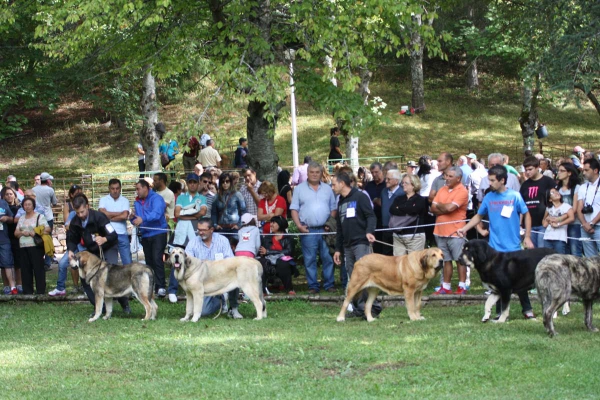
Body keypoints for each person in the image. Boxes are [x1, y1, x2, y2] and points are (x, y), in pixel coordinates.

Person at [457, 165, 536, 319]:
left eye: (493, 180)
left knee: (518, 279)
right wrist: (464, 228)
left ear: (502, 180)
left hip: (513, 247)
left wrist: (527, 236)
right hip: (494, 249)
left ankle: (527, 310)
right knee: (499, 282)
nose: (489, 183)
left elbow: (527, 215)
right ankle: (500, 312)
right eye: (489, 180)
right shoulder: (488, 197)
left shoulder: (514, 196)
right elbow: (478, 216)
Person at [66, 194, 130, 312]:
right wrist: (70, 249)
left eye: (82, 212)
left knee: (112, 276)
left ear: (88, 206)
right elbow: (71, 238)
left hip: (108, 247)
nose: (80, 215)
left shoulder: (100, 217)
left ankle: (124, 303)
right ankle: (99, 307)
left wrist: (104, 239)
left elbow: (113, 235)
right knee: (86, 278)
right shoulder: (75, 221)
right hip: (91, 251)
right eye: (78, 213)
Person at [331, 171, 379, 318]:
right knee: (354, 278)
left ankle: (374, 308)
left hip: (361, 244)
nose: (332, 187)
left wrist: (369, 231)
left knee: (364, 277)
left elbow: (371, 216)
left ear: (342, 183)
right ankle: (360, 308)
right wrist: (338, 249)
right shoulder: (340, 202)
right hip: (347, 246)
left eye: (333, 184)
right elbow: (339, 228)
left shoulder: (360, 196)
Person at [290, 161, 337, 293]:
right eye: (312, 172)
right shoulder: (299, 189)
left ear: (321, 173)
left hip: (325, 229)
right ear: (308, 173)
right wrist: (298, 225)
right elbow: (294, 209)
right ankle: (313, 286)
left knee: (328, 258)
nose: (315, 175)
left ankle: (329, 284)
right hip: (308, 230)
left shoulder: (328, 189)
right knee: (310, 259)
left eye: (317, 172)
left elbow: (333, 208)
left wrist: (330, 224)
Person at [431, 166, 469, 295]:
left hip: (456, 231)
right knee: (446, 260)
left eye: (450, 176)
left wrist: (440, 206)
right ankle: (446, 286)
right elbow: (432, 208)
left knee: (459, 259)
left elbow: (450, 208)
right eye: (446, 176)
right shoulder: (442, 189)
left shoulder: (462, 191)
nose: (446, 178)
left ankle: (462, 286)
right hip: (440, 230)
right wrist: (443, 207)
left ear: (458, 178)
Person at [183, 218, 232, 318]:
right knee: (204, 312)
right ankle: (220, 302)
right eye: (198, 230)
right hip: (202, 281)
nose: (200, 232)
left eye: (203, 230)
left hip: (221, 277)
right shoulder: (193, 242)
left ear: (211, 229)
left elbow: (230, 261)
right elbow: (187, 262)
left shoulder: (223, 240)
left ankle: (230, 304)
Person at [132, 179, 168, 297]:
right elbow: (137, 218)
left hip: (158, 232)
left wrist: (143, 219)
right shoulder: (137, 202)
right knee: (149, 260)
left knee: (157, 258)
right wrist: (132, 218)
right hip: (145, 234)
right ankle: (151, 285)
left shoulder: (156, 198)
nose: (137, 191)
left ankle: (161, 286)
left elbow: (157, 214)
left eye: (138, 189)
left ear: (145, 188)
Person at [48, 185, 83, 296]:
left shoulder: (87, 209)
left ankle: (87, 288)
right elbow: (67, 226)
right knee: (63, 263)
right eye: (76, 192)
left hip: (83, 244)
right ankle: (61, 288)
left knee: (83, 265)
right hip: (73, 243)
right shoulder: (71, 212)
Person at [520, 156, 556, 248]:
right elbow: (521, 205)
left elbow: (555, 202)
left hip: (543, 223)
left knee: (542, 251)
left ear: (537, 168)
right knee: (532, 252)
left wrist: (549, 218)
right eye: (526, 170)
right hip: (529, 225)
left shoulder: (549, 182)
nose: (528, 172)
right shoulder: (524, 185)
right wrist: (520, 223)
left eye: (530, 169)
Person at [15, 197, 49, 294]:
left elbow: (47, 229)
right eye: (25, 205)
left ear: (33, 205)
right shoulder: (21, 218)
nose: (27, 206)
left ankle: (41, 291)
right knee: (25, 270)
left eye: (29, 204)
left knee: (38, 269)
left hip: (35, 246)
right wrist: (23, 233)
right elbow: (16, 233)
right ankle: (28, 291)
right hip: (23, 247)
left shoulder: (39, 216)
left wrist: (35, 232)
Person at [389, 174, 429, 255]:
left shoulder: (421, 199)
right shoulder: (398, 198)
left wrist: (399, 208)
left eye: (406, 183)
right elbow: (392, 209)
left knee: (414, 264)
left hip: (415, 237)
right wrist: (407, 209)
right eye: (402, 183)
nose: (403, 185)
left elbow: (414, 210)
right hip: (398, 236)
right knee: (398, 263)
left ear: (413, 185)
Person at [259, 215, 298, 295]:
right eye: (271, 222)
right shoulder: (267, 237)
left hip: (283, 260)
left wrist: (269, 251)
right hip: (269, 260)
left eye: (274, 223)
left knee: (282, 263)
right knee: (261, 263)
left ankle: (289, 288)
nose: (271, 225)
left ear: (280, 224)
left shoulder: (288, 238)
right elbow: (263, 251)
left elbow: (288, 251)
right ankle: (263, 290)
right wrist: (265, 252)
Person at [98, 179, 132, 265]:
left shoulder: (125, 200)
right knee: (110, 265)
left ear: (120, 188)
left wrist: (108, 216)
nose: (115, 191)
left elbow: (124, 216)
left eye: (117, 188)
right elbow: (101, 214)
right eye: (113, 188)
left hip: (122, 234)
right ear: (109, 188)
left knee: (128, 264)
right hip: (108, 235)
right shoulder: (103, 200)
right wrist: (120, 213)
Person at [32, 172, 57, 271]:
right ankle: (47, 262)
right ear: (47, 181)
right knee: (47, 238)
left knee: (36, 238)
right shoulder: (50, 190)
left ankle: (37, 261)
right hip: (47, 217)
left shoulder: (33, 190)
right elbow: (54, 203)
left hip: (37, 217)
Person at [556, 162, 582, 256]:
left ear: (569, 173)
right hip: (561, 225)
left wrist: (559, 219)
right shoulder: (557, 188)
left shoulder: (576, 188)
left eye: (562, 171)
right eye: (558, 170)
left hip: (573, 223)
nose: (559, 173)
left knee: (575, 251)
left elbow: (574, 209)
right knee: (564, 252)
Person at [577, 158, 600, 256]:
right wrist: (585, 224)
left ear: (595, 170)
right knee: (590, 259)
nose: (584, 173)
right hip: (585, 227)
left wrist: (592, 223)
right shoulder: (583, 187)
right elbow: (579, 208)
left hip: (598, 226)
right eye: (583, 170)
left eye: (587, 170)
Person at [1, 187, 22, 293]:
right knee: (5, 264)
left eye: (10, 194)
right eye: (6, 194)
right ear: (3, 196)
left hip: (15, 237)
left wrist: (9, 219)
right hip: (4, 236)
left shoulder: (19, 207)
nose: (9, 196)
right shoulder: (2, 206)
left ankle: (19, 284)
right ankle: (6, 285)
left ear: (14, 195)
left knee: (18, 263)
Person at [380, 169, 404, 255]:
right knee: (386, 253)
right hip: (385, 228)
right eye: (386, 178)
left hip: (397, 229)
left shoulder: (402, 193)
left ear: (396, 181)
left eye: (389, 179)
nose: (386, 181)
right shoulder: (383, 191)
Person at [542, 188, 574, 253]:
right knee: (547, 257)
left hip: (560, 237)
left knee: (559, 258)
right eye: (553, 192)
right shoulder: (549, 208)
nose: (556, 193)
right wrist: (548, 219)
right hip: (547, 236)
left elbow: (571, 218)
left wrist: (558, 224)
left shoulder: (566, 206)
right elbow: (544, 223)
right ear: (550, 199)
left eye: (556, 191)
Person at [364, 162, 385, 253]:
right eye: (372, 172)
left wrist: (376, 200)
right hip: (372, 218)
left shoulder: (386, 185)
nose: (374, 174)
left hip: (384, 219)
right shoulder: (369, 185)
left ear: (382, 171)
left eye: (376, 172)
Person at [0, 192, 16, 294]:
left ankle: (12, 287)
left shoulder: (3, 203)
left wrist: (7, 218)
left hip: (3, 239)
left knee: (8, 263)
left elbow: (12, 218)